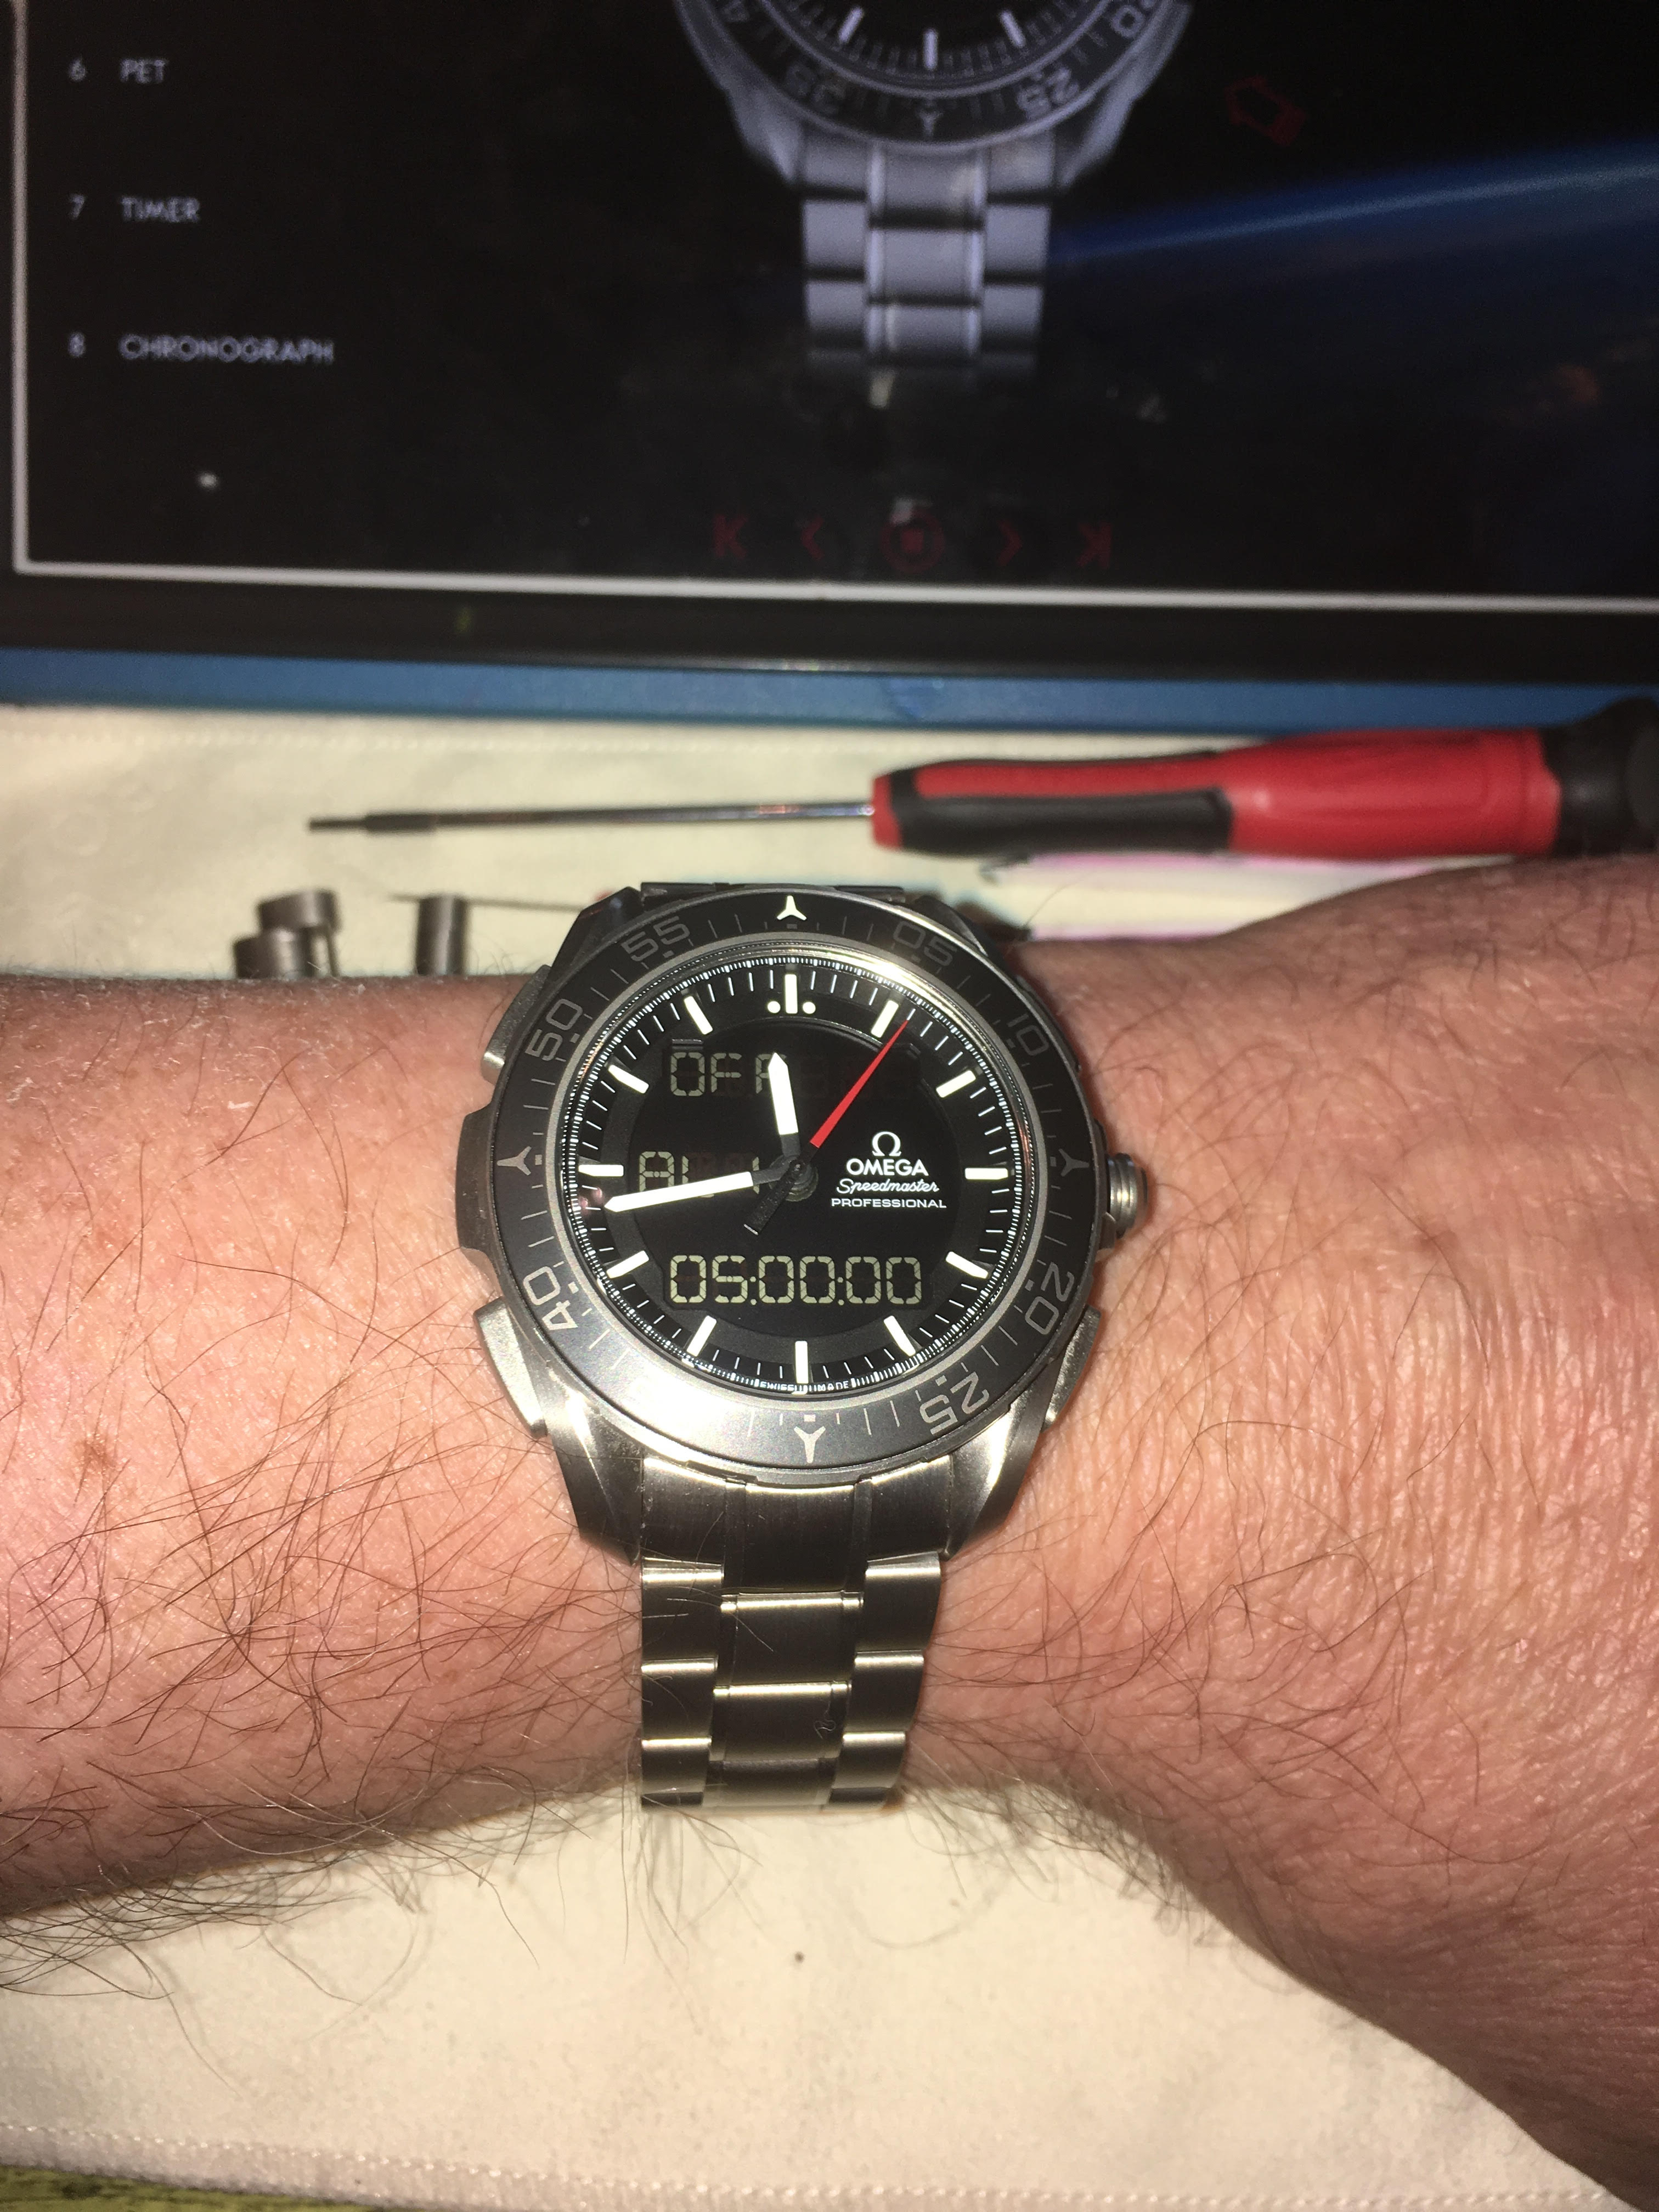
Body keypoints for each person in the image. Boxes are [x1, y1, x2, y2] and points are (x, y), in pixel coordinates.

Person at [1, 857, 1654, 2203]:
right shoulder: (582, 1220)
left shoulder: (1009, 1229)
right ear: (494, 1186)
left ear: (1097, 1206)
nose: (794, 1187)